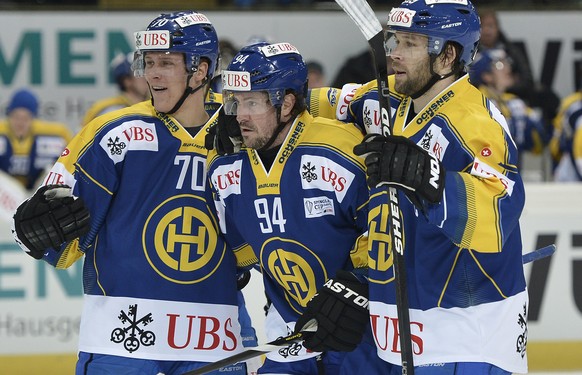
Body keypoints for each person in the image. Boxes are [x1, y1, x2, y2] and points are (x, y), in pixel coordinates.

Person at [297, 1, 529, 374]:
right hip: (406, 338)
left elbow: (501, 208)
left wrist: (431, 178)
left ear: (446, 56)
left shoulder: (472, 122)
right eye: (394, 42)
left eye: (410, 44)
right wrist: (233, 111)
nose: (395, 55)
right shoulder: (390, 99)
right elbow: (322, 103)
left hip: (467, 341)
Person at [12, 11, 248, 375]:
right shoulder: (116, 133)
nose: (152, 74)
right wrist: (35, 233)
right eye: (148, 62)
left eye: (166, 63)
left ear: (201, 70)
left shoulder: (242, 133)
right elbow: (58, 240)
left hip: (211, 333)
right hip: (121, 337)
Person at [206, 41, 375, 374]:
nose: (240, 116)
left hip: (361, 334)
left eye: (252, 102)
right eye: (236, 102)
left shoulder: (341, 150)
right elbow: (239, 252)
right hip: (289, 334)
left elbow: (389, 232)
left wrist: (359, 284)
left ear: (287, 104)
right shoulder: (225, 166)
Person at [469, 48, 548, 168]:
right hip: (483, 179)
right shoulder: (475, 104)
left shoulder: (515, 103)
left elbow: (538, 145)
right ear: (487, 76)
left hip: (512, 181)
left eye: (507, 63)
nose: (507, 69)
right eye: (499, 65)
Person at [0, 88, 72, 190]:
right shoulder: (2, 133)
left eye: (25, 118)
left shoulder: (56, 135)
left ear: (33, 118)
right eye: (16, 117)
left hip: (38, 194)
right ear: (9, 116)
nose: (20, 123)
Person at [81, 52, 150, 127]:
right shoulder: (108, 112)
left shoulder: (155, 108)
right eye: (139, 72)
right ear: (126, 81)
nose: (146, 76)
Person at [550, 82, 582, 181]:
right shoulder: (576, 109)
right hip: (573, 171)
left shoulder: (570, 102)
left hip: (564, 164)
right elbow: (579, 149)